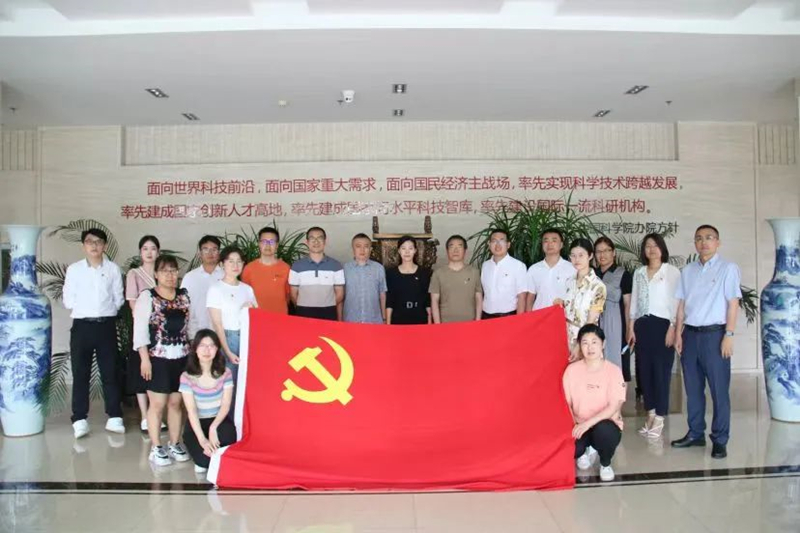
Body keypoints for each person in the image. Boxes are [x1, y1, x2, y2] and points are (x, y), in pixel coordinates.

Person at [672, 225, 741, 459]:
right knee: (692, 389)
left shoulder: (728, 269)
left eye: (709, 238)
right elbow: (681, 305)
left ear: (717, 242)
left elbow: (733, 303)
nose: (704, 242)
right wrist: (678, 333)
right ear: (695, 243)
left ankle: (720, 439)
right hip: (690, 336)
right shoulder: (687, 271)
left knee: (719, 390)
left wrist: (729, 335)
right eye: (699, 238)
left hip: (715, 336)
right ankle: (695, 433)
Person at [62, 228, 125, 439]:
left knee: (110, 372)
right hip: (82, 326)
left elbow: (118, 298)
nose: (94, 245)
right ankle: (79, 418)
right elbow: (68, 299)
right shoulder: (74, 269)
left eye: (98, 242)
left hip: (106, 325)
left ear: (104, 245)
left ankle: (114, 416)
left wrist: (105, 312)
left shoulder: (113, 269)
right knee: (81, 373)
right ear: (84, 245)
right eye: (90, 241)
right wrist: (85, 309)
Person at [133, 255, 192, 466]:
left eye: (173, 270)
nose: (170, 275)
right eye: (165, 271)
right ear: (156, 274)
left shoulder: (184, 296)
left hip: (181, 357)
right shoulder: (147, 297)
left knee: (176, 403)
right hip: (156, 358)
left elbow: (190, 326)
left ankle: (175, 443)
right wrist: (144, 359)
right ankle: (156, 447)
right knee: (157, 404)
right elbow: (140, 330)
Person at [628, 233, 681, 439]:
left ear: (662, 248)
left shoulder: (671, 272)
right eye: (648, 246)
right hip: (642, 324)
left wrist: (673, 327)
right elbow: (634, 301)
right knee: (644, 372)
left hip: (663, 325)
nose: (651, 249)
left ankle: (660, 416)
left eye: (655, 245)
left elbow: (677, 301)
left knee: (661, 372)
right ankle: (650, 413)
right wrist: (631, 327)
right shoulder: (639, 272)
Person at [562, 324, 626, 482]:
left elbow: (613, 407)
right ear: (579, 345)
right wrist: (576, 425)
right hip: (578, 424)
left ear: (603, 344)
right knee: (571, 447)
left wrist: (587, 424)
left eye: (594, 342)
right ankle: (583, 451)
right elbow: (566, 404)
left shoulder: (613, 371)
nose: (590, 347)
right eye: (585, 343)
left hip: (604, 423)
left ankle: (605, 463)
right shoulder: (571, 371)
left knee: (605, 432)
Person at [179, 329, 237, 474]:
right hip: (197, 422)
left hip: (218, 420)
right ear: (195, 349)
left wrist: (213, 428)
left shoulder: (225, 373)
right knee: (204, 462)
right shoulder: (186, 377)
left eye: (211, 346)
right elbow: (192, 411)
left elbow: (225, 405)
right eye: (202, 346)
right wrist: (202, 440)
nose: (207, 350)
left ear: (217, 349)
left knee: (227, 447)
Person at [125, 235, 164, 432]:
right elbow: (132, 303)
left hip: (161, 330)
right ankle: (144, 416)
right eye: (145, 249)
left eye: (153, 248)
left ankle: (156, 414)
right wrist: (146, 320)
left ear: (158, 252)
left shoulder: (162, 273)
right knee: (141, 372)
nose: (149, 252)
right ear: (140, 252)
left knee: (157, 371)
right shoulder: (134, 274)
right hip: (142, 328)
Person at [207, 246, 257, 394]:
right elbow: (217, 324)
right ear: (222, 264)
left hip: (246, 337)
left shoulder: (247, 289)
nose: (236, 265)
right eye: (231, 261)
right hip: (227, 337)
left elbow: (256, 315)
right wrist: (227, 351)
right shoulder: (216, 289)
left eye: (239, 261)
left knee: (245, 382)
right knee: (229, 383)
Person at [555, 238, 606, 360]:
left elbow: (591, 321)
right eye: (573, 255)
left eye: (581, 255)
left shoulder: (598, 286)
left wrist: (579, 345)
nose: (576, 259)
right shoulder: (569, 282)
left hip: (586, 341)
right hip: (564, 338)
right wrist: (560, 303)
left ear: (590, 256)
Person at [593, 237, 632, 370]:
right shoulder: (592, 274)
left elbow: (628, 304)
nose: (602, 255)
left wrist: (629, 329)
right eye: (598, 251)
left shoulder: (623, 274)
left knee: (616, 364)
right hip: (595, 324)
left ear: (613, 252)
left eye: (606, 250)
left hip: (617, 325)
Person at [289, 227, 345, 321]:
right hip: (303, 314)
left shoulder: (336, 265)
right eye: (312, 238)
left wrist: (325, 306)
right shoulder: (296, 266)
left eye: (320, 238)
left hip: (328, 314)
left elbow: (340, 294)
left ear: (325, 241)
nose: (316, 242)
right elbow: (293, 295)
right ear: (307, 242)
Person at [429, 235, 483, 323]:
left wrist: (478, 321)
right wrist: (437, 325)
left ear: (465, 251)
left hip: (470, 323)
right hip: (445, 323)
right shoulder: (438, 273)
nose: (455, 250)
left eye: (459, 246)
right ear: (447, 251)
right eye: (452, 246)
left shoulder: (474, 272)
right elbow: (434, 301)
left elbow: (478, 299)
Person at [241, 226, 290, 314]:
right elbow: (244, 295)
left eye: (272, 242)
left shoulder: (286, 268)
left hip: (280, 317)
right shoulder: (249, 268)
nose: (267, 245)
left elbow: (288, 296)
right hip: (256, 317)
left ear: (277, 245)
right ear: (259, 244)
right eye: (264, 241)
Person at [181, 235, 223, 338]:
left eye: (214, 249)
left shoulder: (226, 276)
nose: (210, 253)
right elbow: (183, 305)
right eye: (206, 249)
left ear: (219, 253)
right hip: (195, 333)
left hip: (222, 334)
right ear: (200, 253)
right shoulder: (189, 277)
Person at [480, 228, 527, 319]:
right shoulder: (485, 265)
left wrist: (519, 321)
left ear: (508, 245)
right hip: (486, 316)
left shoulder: (518, 266)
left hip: (508, 316)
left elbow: (522, 297)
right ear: (489, 244)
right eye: (494, 241)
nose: (497, 244)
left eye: (501, 241)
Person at [526, 228, 576, 311]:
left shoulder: (572, 268)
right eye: (546, 241)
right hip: (539, 315)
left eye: (554, 240)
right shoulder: (534, 269)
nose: (549, 244)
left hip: (562, 316)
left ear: (561, 245)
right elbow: (530, 297)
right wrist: (529, 317)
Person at [386, 235, 431, 325]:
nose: (407, 252)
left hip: (420, 320)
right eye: (403, 248)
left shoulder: (424, 273)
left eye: (410, 248)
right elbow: (390, 301)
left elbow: (427, 300)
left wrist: (429, 321)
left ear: (415, 250)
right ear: (399, 251)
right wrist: (388, 323)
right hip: (398, 320)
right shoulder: (391, 273)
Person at [343, 233, 387, 324]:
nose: (362, 250)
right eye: (358, 246)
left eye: (366, 246)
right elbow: (341, 295)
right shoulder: (345, 269)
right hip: (351, 320)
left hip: (374, 321)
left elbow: (382, 295)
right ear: (353, 249)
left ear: (370, 249)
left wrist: (384, 318)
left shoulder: (378, 268)